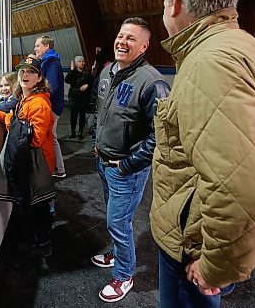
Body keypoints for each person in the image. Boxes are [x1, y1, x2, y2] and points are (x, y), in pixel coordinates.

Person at [150, 0, 255, 308]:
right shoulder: (243, 44)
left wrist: (215, 267)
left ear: (176, 3)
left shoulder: (209, 62)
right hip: (203, 229)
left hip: (192, 244)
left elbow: (244, 194)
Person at [91, 17, 170, 303]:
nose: (122, 42)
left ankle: (124, 275)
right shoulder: (107, 71)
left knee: (118, 221)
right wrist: (97, 143)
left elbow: (160, 136)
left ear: (144, 47)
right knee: (115, 220)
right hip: (103, 161)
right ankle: (118, 254)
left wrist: (128, 164)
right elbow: (102, 114)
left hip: (126, 170)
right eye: (121, 36)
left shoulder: (153, 83)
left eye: (131, 39)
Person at [0, 55, 55, 260]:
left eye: (31, 72)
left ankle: (44, 243)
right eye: (22, 72)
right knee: (32, 201)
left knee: (38, 203)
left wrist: (7, 118)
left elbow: (33, 139)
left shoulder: (39, 104)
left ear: (39, 78)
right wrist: (6, 116)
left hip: (38, 161)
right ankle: (38, 237)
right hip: (30, 160)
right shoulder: (24, 100)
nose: (25, 75)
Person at [34, 35, 66, 178]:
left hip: (51, 106)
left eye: (38, 46)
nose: (35, 48)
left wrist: (39, 97)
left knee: (50, 137)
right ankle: (56, 168)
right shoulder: (47, 61)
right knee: (50, 136)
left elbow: (52, 85)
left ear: (46, 46)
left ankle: (59, 169)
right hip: (51, 104)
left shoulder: (51, 62)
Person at [65, 55, 93, 140]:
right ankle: (73, 131)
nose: (82, 63)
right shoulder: (74, 72)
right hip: (74, 97)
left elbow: (92, 82)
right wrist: (71, 70)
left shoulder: (86, 73)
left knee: (82, 116)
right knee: (73, 116)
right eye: (79, 62)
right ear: (76, 63)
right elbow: (67, 80)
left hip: (83, 98)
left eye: (83, 61)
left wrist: (87, 85)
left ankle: (80, 132)